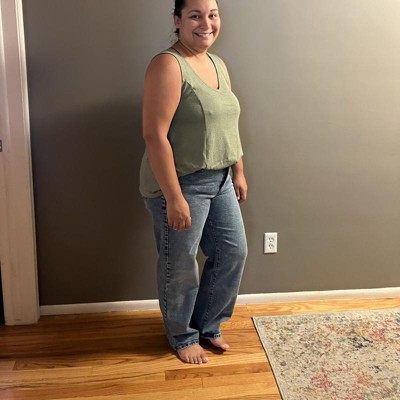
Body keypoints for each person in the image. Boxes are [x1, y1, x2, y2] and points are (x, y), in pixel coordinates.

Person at [139, 0, 248, 364]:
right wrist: (173, 197)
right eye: (195, 15)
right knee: (180, 264)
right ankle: (182, 335)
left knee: (232, 252)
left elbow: (227, 124)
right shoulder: (168, 65)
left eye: (212, 15)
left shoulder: (218, 64)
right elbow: (154, 135)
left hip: (220, 178)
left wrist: (238, 171)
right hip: (181, 182)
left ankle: (208, 326)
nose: (206, 23)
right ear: (178, 20)